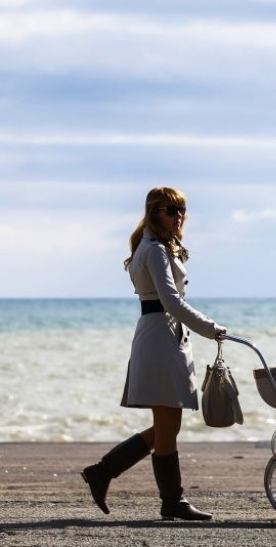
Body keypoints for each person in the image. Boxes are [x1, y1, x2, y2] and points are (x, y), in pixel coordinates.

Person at [81, 186, 228, 521]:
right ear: (154, 212)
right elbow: (171, 301)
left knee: (167, 427)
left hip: (164, 335)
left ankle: (104, 471)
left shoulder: (154, 247)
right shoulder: (155, 250)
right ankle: (171, 501)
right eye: (170, 210)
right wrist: (211, 328)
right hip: (161, 337)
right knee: (167, 426)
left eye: (182, 210)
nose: (179, 217)